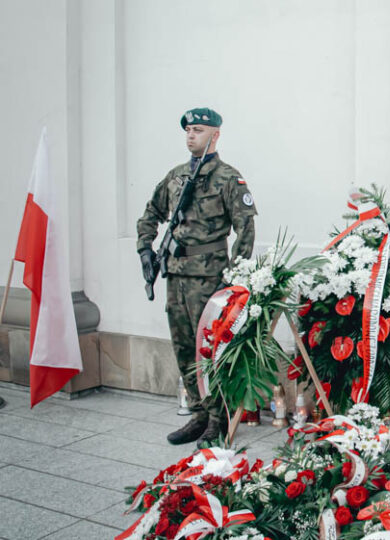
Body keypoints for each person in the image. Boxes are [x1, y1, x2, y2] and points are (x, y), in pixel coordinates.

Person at [137, 108, 257, 448]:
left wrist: (232, 279)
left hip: (210, 280)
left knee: (210, 349)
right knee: (184, 348)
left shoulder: (228, 179)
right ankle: (199, 413)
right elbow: (150, 213)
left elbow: (245, 230)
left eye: (199, 130)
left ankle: (218, 418)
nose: (191, 136)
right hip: (175, 275)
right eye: (189, 130)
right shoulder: (175, 177)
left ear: (215, 135)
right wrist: (144, 250)